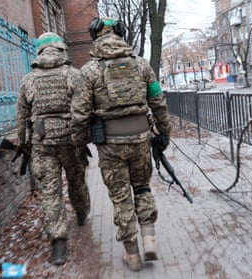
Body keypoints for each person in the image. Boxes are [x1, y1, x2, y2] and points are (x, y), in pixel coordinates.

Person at [70, 17, 171, 272]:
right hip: (140, 140)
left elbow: (79, 115)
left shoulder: (89, 71)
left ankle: (132, 254)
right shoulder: (142, 66)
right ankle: (149, 238)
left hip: (110, 145)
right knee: (142, 187)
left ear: (95, 38)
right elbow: (158, 100)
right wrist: (165, 132)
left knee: (120, 197)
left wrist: (80, 144)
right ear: (120, 34)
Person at [16, 32, 91, 265]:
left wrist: (22, 143)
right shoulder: (74, 75)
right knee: (76, 180)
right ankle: (81, 212)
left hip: (42, 142)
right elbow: (84, 110)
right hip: (70, 139)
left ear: (39, 51)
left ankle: (58, 244)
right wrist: (82, 139)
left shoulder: (28, 80)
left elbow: (21, 116)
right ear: (60, 49)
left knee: (50, 191)